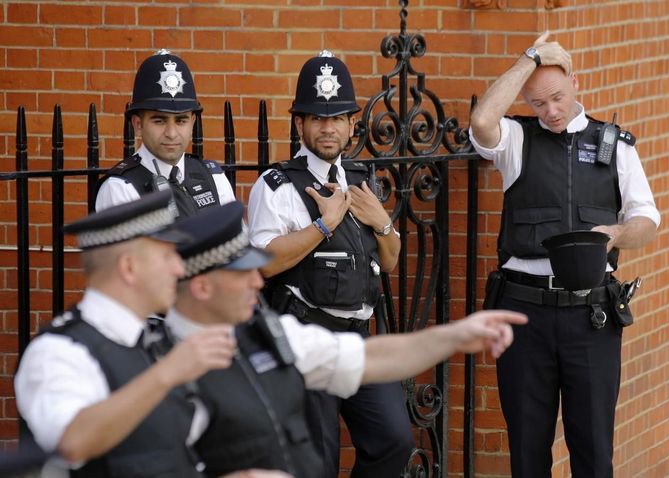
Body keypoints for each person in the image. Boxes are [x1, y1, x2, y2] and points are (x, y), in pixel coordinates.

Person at [164, 200, 527, 477]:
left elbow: (371, 358)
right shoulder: (158, 369)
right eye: (243, 275)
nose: (259, 282)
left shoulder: (269, 335)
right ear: (202, 286)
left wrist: (454, 336)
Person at [468, 31, 660, 477]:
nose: (550, 111)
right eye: (538, 103)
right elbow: (480, 123)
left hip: (590, 316)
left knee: (594, 451)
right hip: (524, 314)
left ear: (576, 82)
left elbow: (647, 220)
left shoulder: (617, 146)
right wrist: (527, 61)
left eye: (557, 97)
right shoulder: (517, 140)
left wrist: (615, 233)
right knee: (528, 450)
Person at [13, 191, 285, 478]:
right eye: (168, 255)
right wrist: (167, 373)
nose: (180, 268)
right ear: (129, 267)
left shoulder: (148, 343)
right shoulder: (59, 352)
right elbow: (71, 442)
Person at [247, 50, 411, 477]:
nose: (328, 127)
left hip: (357, 337)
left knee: (394, 439)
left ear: (352, 124)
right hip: (305, 335)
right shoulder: (276, 185)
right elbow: (263, 263)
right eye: (317, 118)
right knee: (317, 462)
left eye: (337, 117)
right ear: (299, 123)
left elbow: (389, 264)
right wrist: (324, 224)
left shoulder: (361, 179)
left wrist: (382, 224)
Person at [96, 49, 235, 215]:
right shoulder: (120, 189)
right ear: (138, 124)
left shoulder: (213, 178)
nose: (171, 133)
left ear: (192, 122)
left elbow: (237, 240)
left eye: (181, 120)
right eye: (159, 121)